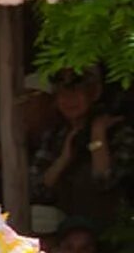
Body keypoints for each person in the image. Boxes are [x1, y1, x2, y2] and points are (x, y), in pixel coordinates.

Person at [31, 67, 134, 223]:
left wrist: (97, 134)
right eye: (63, 93)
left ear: (94, 93)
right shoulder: (54, 136)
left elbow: (104, 181)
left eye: (76, 92)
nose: (69, 99)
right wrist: (63, 159)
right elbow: (37, 192)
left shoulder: (119, 131)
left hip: (112, 232)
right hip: (66, 235)